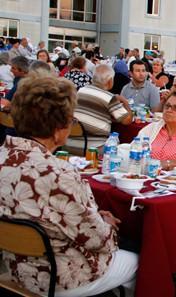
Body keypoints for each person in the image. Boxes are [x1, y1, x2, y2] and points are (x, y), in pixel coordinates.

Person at [0, 73, 138, 297]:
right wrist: (108, 224)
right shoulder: (58, 173)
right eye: (71, 120)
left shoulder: (3, 157)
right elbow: (98, 241)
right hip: (59, 278)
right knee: (138, 261)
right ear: (59, 129)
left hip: (17, 267)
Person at [69, 64, 132, 151]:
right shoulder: (109, 97)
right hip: (93, 149)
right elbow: (127, 120)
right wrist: (125, 102)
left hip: (70, 143)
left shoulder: (80, 91)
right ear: (110, 81)